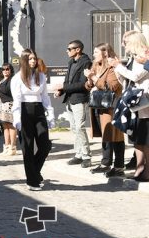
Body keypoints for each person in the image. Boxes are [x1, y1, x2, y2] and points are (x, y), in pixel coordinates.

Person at [11, 48, 55, 191]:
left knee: (45, 145)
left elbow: (45, 97)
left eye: (34, 59)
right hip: (24, 110)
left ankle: (34, 171)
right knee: (28, 147)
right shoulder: (17, 78)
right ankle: (32, 180)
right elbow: (17, 100)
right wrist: (17, 119)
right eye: (30, 59)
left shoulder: (40, 76)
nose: (33, 61)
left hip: (39, 109)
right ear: (24, 60)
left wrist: (50, 114)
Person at [109, 31, 149, 182]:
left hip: (144, 104)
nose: (123, 45)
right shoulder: (134, 58)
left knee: (145, 140)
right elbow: (127, 81)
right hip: (134, 105)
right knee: (137, 140)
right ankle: (140, 169)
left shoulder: (145, 55)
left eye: (125, 42)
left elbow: (135, 76)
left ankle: (146, 172)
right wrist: (117, 69)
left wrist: (118, 66)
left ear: (133, 41)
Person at [85, 43, 125, 177]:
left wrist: (94, 78)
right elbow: (89, 85)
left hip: (112, 105)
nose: (94, 55)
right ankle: (106, 163)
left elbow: (112, 86)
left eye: (97, 52)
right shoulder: (96, 65)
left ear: (105, 53)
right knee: (105, 134)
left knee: (115, 136)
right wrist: (89, 79)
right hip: (99, 104)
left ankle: (118, 166)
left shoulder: (112, 67)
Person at [55, 40, 92, 168]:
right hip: (70, 99)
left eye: (69, 49)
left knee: (80, 127)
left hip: (80, 99)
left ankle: (87, 156)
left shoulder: (86, 62)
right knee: (74, 128)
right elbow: (67, 81)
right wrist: (60, 91)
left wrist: (64, 87)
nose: (67, 51)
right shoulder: (71, 62)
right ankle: (78, 154)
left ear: (78, 50)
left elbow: (83, 84)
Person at [0, 63, 17, 156]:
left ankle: (13, 147)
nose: (5, 71)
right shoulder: (2, 80)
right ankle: (7, 145)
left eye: (7, 69)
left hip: (10, 104)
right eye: (3, 69)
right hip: (3, 105)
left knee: (11, 126)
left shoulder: (12, 80)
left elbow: (6, 90)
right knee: (5, 126)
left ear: (11, 70)